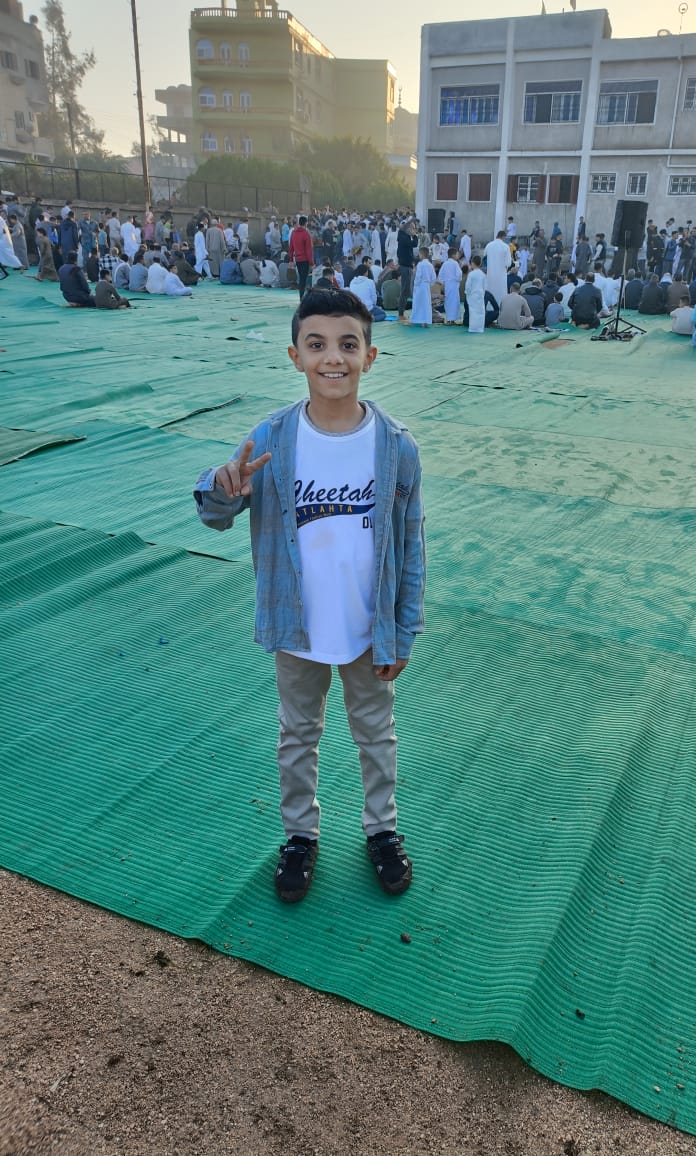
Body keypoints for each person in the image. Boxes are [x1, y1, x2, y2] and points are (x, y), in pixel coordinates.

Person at [193, 288, 425, 902]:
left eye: (348, 344)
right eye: (316, 344)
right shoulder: (273, 438)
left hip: (368, 629)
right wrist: (223, 488)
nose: (333, 358)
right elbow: (216, 512)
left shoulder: (396, 445)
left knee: (376, 733)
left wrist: (403, 628)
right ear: (295, 355)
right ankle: (300, 835)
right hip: (296, 626)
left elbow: (411, 542)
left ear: (370, 356)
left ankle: (382, 830)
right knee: (298, 734)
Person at [288, 214, 314, 297]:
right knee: (303, 279)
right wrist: (311, 263)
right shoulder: (306, 234)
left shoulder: (293, 233)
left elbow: (291, 248)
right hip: (305, 260)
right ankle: (302, 297)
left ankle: (301, 296)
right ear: (306, 223)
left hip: (298, 259)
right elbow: (309, 250)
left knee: (301, 278)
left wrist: (291, 260)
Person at [409, 247, 435, 326]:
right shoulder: (430, 265)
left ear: (421, 254)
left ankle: (415, 320)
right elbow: (433, 277)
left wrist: (416, 284)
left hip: (420, 286)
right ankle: (425, 321)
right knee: (426, 304)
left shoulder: (420, 264)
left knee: (417, 303)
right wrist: (429, 284)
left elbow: (418, 276)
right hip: (426, 286)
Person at [465, 254, 486, 334]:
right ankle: (480, 328)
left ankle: (473, 328)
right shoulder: (483, 274)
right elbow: (485, 286)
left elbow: (468, 286)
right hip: (480, 294)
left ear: (472, 263)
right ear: (480, 263)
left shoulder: (471, 274)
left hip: (472, 295)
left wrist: (467, 293)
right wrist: (483, 294)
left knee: (473, 312)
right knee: (480, 312)